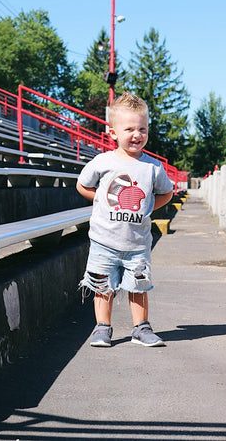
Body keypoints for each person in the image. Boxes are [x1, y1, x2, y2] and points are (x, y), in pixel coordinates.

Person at [76, 91, 173, 347]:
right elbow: (82, 185)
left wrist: (149, 207)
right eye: (129, 128)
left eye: (142, 128)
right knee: (102, 286)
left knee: (139, 287)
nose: (136, 134)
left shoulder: (153, 167)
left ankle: (141, 328)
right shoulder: (103, 161)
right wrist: (100, 199)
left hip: (137, 244)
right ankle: (102, 328)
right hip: (103, 241)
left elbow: (167, 192)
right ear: (113, 132)